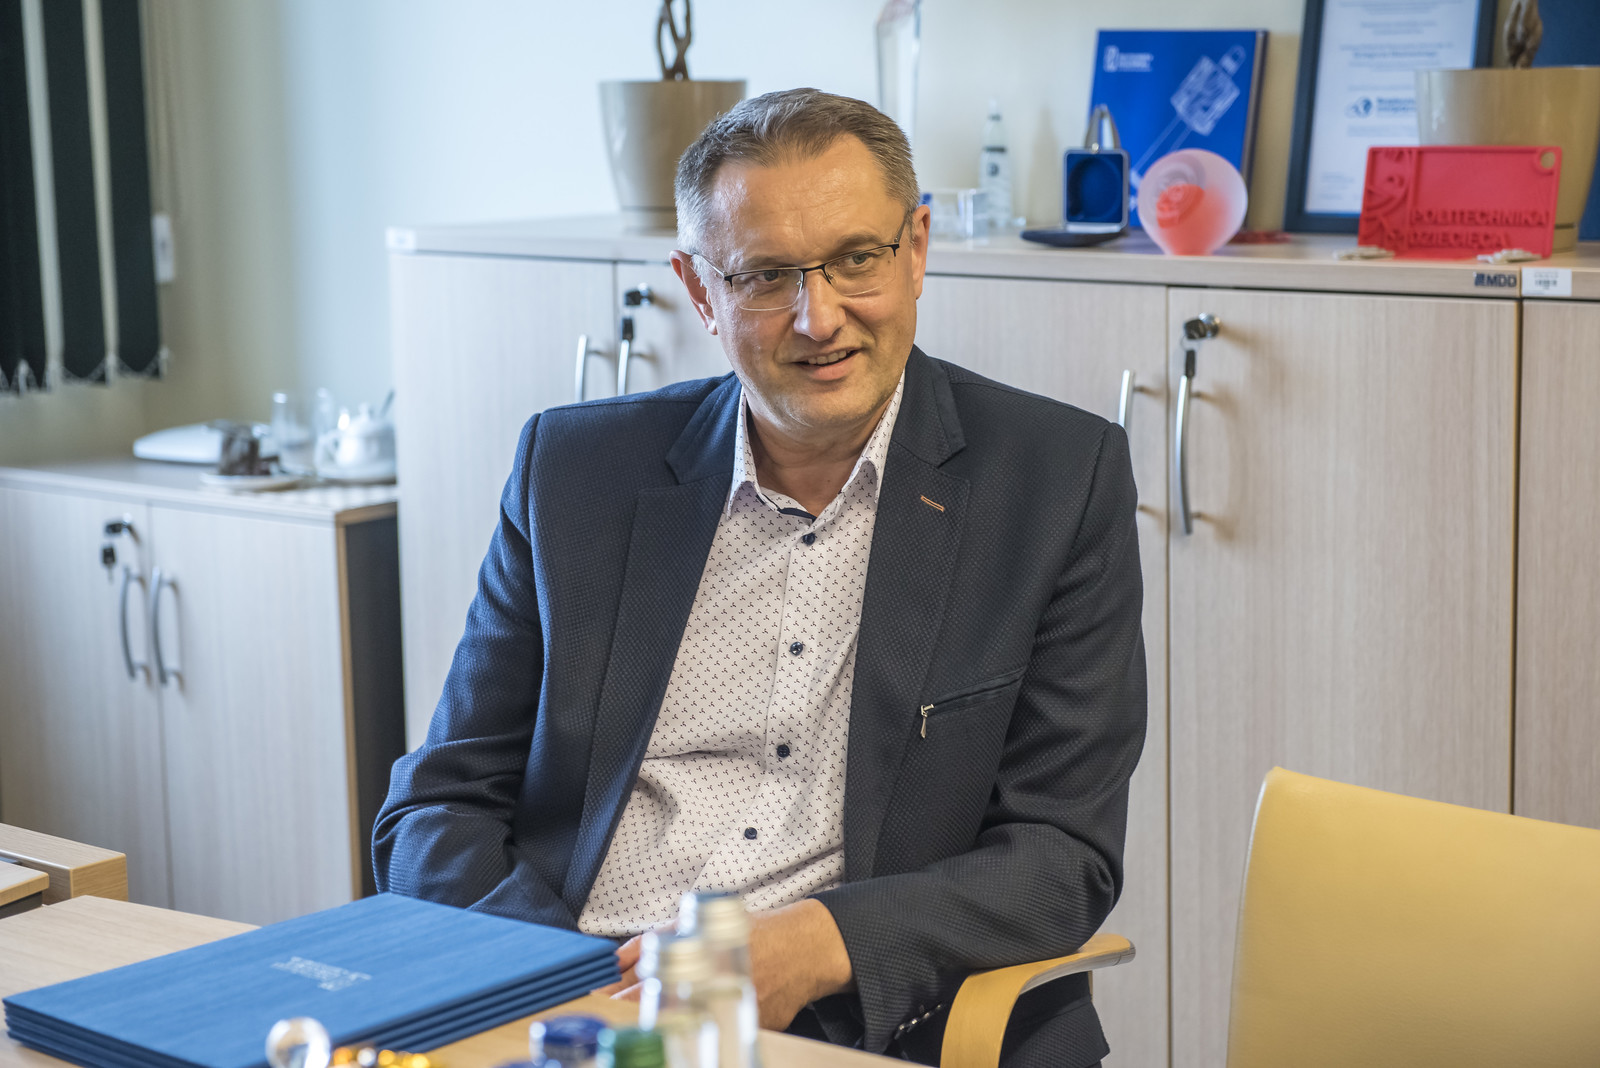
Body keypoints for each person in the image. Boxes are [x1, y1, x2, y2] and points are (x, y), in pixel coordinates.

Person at [374, 88, 1145, 1068]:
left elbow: (1061, 859)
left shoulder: (1056, 481)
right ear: (699, 291)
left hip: (858, 1018)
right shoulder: (572, 474)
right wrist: (567, 986)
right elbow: (435, 807)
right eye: (766, 276)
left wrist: (817, 945)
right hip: (568, 1004)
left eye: (856, 259)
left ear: (915, 250)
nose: (819, 319)